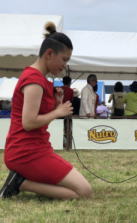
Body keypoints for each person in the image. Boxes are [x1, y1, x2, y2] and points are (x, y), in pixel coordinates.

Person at [0, 22, 92, 199]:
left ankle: (21, 180)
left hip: (36, 149)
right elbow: (28, 123)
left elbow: (37, 119)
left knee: (81, 190)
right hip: (26, 153)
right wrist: (57, 112)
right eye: (64, 60)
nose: (65, 66)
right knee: (84, 192)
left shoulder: (38, 79)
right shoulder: (34, 80)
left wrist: (55, 106)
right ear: (49, 54)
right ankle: (20, 182)